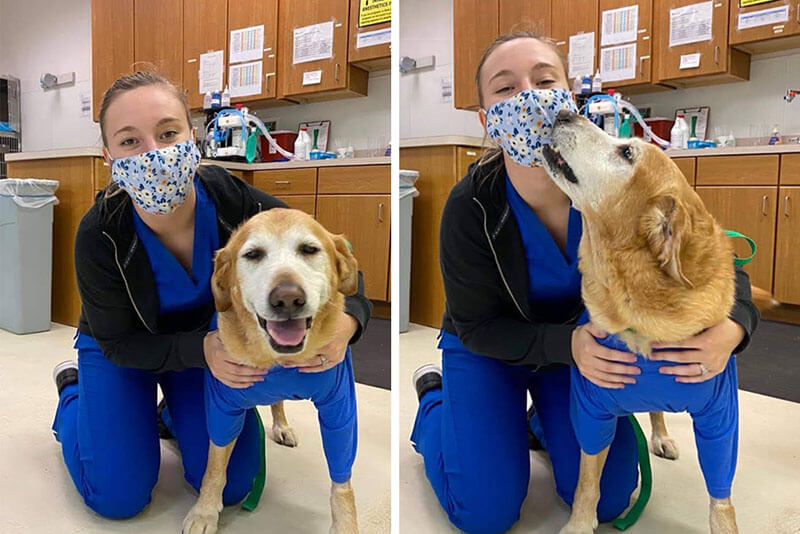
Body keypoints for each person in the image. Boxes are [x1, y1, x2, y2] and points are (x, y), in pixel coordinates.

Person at [410, 32, 758, 534]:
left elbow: (705, 253)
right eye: (505, 89)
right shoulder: (470, 206)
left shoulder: (616, 183)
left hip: (585, 353)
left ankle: (539, 421)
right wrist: (568, 342)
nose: (529, 96)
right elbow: (477, 324)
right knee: (483, 513)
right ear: (487, 120)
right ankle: (433, 402)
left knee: (611, 498)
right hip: (490, 347)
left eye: (544, 80)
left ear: (569, 94)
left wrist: (735, 328)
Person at [50, 71, 371, 519]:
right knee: (116, 496)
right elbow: (119, 341)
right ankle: (72, 396)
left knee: (235, 484)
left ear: (193, 136)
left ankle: (170, 415)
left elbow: (329, 257)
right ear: (108, 156)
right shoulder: (100, 233)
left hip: (206, 350)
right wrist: (203, 347)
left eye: (167, 133)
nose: (155, 154)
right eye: (129, 141)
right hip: (124, 349)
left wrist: (349, 320)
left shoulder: (230, 198)